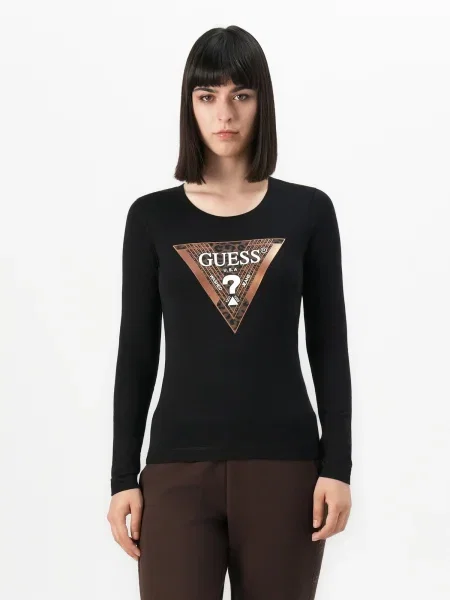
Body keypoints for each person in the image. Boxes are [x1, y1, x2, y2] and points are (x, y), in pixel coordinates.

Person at [107, 24, 352, 600]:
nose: (225, 113)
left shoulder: (308, 212)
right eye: (207, 95)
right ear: (189, 104)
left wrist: (337, 466)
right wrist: (122, 477)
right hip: (175, 472)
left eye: (241, 94)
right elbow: (136, 353)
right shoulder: (152, 218)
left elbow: (329, 346)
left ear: (262, 102)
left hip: (286, 468)